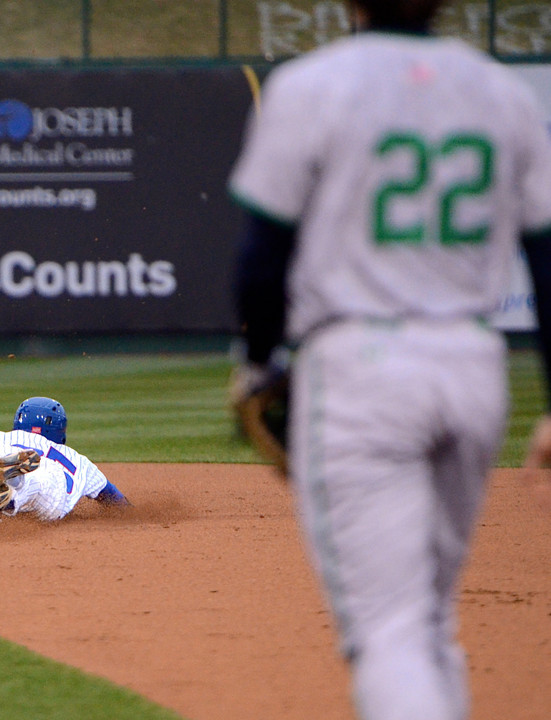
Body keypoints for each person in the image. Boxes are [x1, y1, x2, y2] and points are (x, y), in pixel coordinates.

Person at [228, 1, 551, 719]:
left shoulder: (312, 85)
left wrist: (256, 360)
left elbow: (261, 257)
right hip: (474, 362)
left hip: (359, 365)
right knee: (429, 619)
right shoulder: (501, 91)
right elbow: (547, 256)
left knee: (388, 633)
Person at [0, 397, 129, 524]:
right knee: (37, 485)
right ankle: (13, 488)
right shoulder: (77, 459)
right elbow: (115, 501)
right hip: (51, 494)